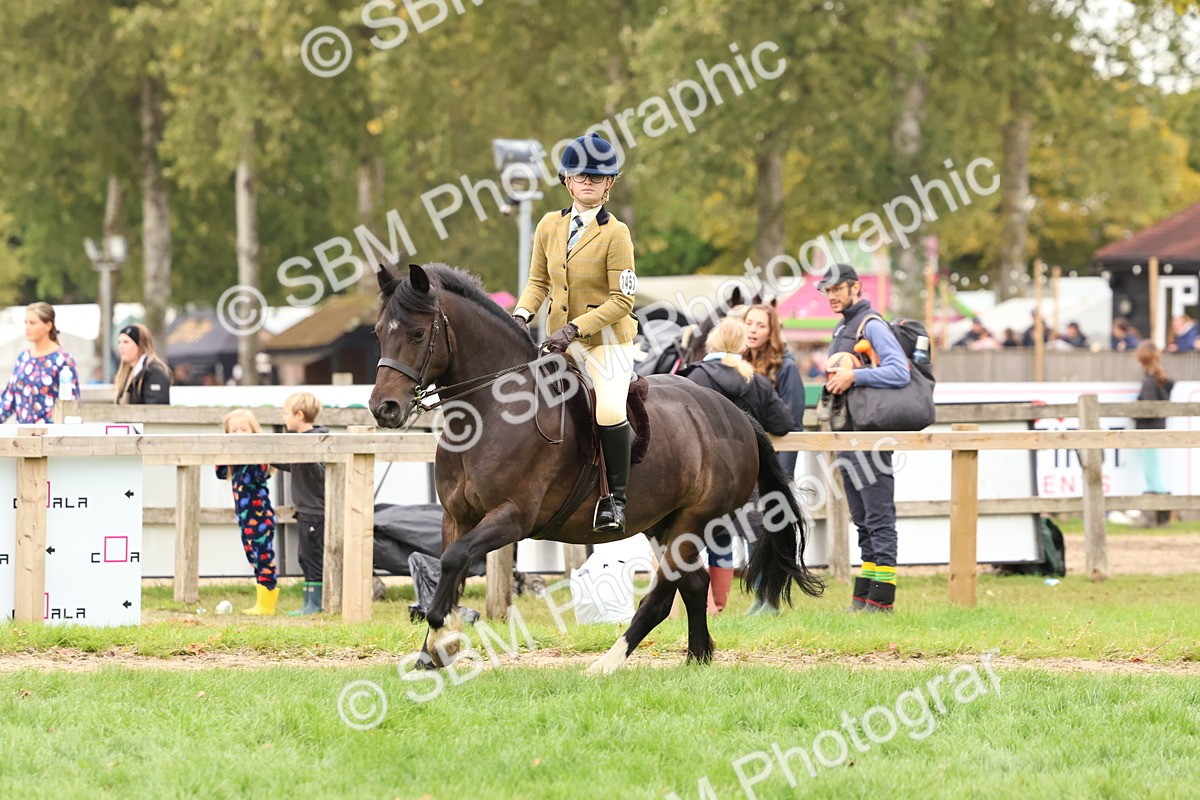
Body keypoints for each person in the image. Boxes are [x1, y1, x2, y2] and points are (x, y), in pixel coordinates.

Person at [513, 132, 638, 535]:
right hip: (558, 343)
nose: (588, 182)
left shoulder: (616, 234)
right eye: (580, 175)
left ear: (609, 185)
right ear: (567, 181)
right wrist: (520, 315)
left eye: (596, 177)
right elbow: (537, 282)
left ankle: (615, 501)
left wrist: (574, 328)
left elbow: (622, 300)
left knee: (609, 410)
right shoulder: (550, 225)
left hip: (607, 345)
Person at [681, 318, 794, 614]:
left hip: (706, 472)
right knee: (757, 532)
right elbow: (782, 423)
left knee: (708, 532)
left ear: (713, 344)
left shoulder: (694, 377)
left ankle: (714, 606)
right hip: (750, 470)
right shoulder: (755, 380)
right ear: (742, 346)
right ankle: (766, 599)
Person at [819, 264, 908, 613]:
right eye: (827, 291)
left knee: (879, 517)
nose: (831, 296)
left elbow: (899, 370)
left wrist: (855, 376)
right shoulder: (843, 326)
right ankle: (863, 600)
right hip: (848, 435)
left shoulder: (871, 323)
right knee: (861, 517)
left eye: (837, 289)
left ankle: (882, 602)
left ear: (855, 287)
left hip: (870, 434)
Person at [273, 392, 329, 615]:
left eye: (286, 414)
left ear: (299, 414)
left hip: (317, 511)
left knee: (314, 558)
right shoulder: (300, 442)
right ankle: (308, 601)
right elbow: (294, 465)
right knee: (304, 558)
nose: (284, 418)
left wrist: (311, 457)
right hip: (304, 510)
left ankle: (316, 603)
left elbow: (321, 472)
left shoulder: (318, 440)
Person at [217, 409, 278, 615]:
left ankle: (266, 603)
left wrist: (252, 449)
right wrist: (225, 451)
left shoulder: (255, 457)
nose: (238, 433)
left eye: (244, 429)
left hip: (260, 515)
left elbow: (262, 473)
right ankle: (262, 599)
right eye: (233, 430)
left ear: (254, 431)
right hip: (245, 517)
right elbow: (220, 472)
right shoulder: (234, 460)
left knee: (263, 556)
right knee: (252, 556)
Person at [742, 303, 806, 477]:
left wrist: (783, 477)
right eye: (748, 323)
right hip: (744, 456)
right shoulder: (735, 364)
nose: (752, 330)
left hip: (774, 455)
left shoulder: (786, 367)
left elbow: (794, 426)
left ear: (771, 332)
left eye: (761, 326)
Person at [0, 302, 80, 424]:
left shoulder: (62, 359)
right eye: (26, 322)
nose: (27, 327)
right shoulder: (23, 357)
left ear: (48, 325)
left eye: (32, 323)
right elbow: (8, 399)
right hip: (22, 436)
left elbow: (72, 402)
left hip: (50, 436)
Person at [1134, 342, 1175, 523]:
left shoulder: (1149, 380)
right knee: (1152, 471)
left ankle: (1162, 513)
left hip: (1148, 430)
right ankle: (1159, 515)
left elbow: (1149, 408)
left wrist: (1136, 409)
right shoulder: (1158, 378)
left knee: (1152, 473)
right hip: (1156, 428)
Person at [113, 324, 171, 404]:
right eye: (119, 342)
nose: (121, 347)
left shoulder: (154, 373)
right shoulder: (125, 375)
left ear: (140, 345)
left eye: (126, 342)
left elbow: (156, 410)